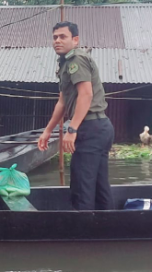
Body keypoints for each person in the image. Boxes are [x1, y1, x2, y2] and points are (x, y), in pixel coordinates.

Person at [37, 21, 114, 210]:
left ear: (75, 40)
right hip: (98, 128)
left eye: (63, 37)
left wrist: (72, 129)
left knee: (82, 187)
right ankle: (106, 231)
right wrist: (48, 131)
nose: (57, 41)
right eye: (55, 37)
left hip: (91, 127)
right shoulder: (64, 63)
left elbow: (86, 95)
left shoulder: (76, 59)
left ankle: (83, 234)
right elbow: (62, 102)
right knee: (98, 185)